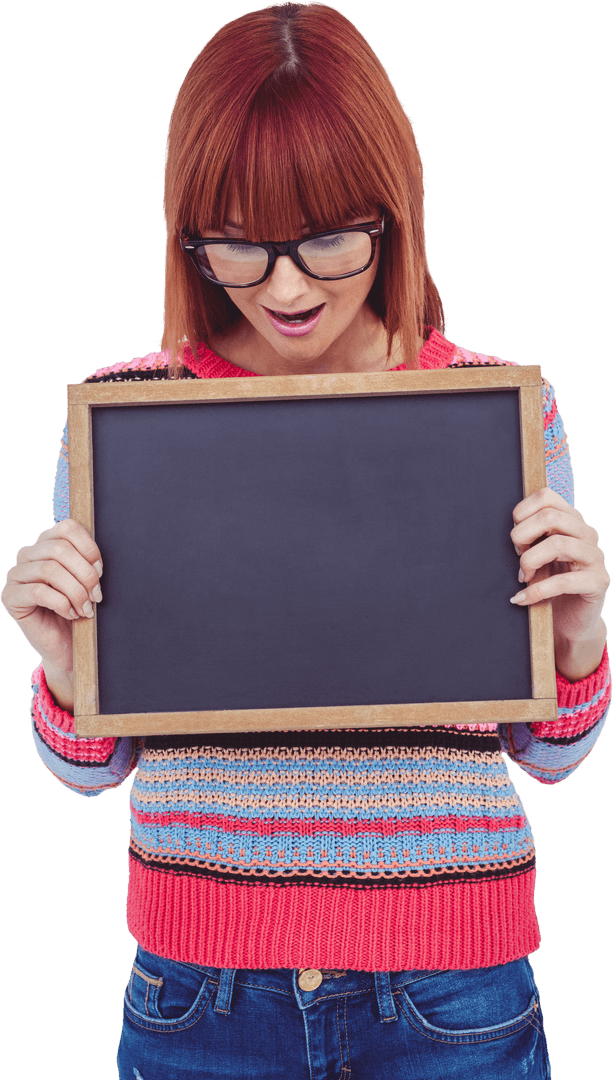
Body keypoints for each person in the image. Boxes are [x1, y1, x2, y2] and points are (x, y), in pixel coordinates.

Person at [2, 3, 609, 1077]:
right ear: (191, 232)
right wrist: (64, 669)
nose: (286, 287)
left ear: (392, 208)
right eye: (237, 243)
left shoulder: (498, 410)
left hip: (450, 992)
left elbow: (551, 759)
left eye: (328, 237)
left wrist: (575, 642)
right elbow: (87, 776)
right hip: (201, 994)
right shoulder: (123, 419)